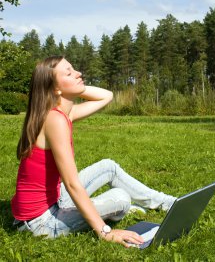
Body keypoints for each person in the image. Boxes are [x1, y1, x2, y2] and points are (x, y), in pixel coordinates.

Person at [11, 56, 176, 247]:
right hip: (40, 222)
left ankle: (168, 203)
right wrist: (105, 232)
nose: (78, 73)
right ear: (55, 88)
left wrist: (69, 86)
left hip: (54, 199)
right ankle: (117, 209)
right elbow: (72, 184)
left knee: (109, 167)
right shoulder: (54, 120)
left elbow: (107, 96)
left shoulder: (63, 114)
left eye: (74, 69)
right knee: (121, 198)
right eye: (69, 72)